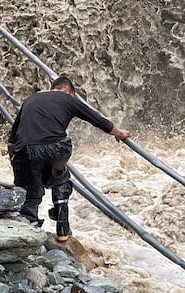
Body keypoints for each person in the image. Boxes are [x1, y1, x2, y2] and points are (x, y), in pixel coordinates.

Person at [7, 75, 130, 242]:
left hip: (25, 150)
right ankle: (62, 227)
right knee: (60, 178)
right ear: (68, 91)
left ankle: (30, 231)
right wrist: (119, 133)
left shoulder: (31, 99)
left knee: (30, 191)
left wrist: (19, 167)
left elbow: (11, 144)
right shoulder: (67, 99)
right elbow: (96, 119)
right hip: (56, 148)